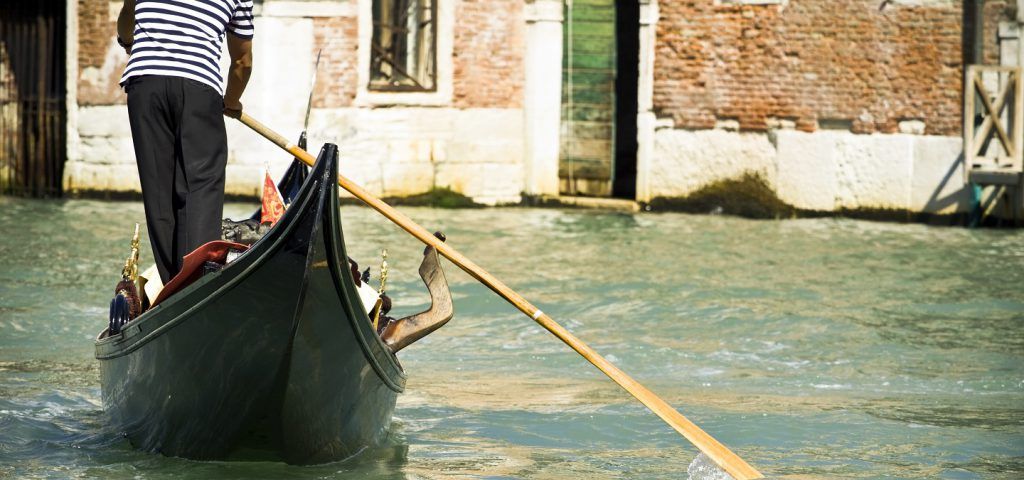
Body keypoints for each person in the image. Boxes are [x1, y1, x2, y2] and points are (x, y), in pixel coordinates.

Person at [116, 0, 254, 284]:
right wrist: (231, 100)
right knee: (201, 184)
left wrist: (127, 41)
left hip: (146, 85)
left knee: (159, 189)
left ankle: (172, 283)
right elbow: (243, 60)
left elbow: (128, 16)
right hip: (198, 87)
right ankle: (194, 283)